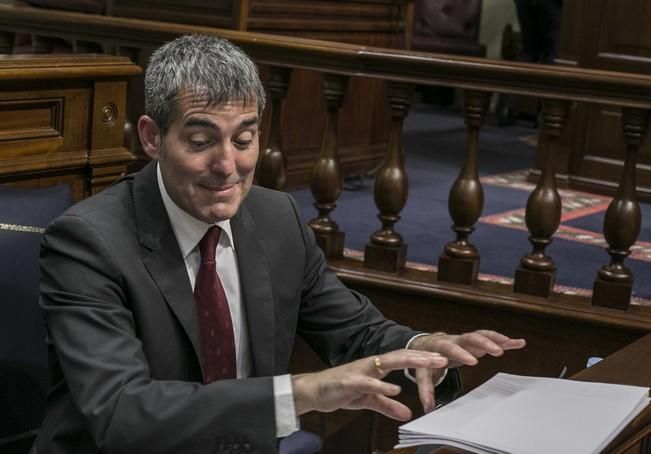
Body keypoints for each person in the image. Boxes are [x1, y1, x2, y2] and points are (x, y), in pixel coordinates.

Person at [32, 34, 525, 453]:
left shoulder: (275, 217)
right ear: (152, 137)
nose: (228, 166)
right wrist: (300, 393)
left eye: (244, 140)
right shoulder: (88, 242)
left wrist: (423, 351)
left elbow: (353, 330)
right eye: (202, 142)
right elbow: (121, 412)